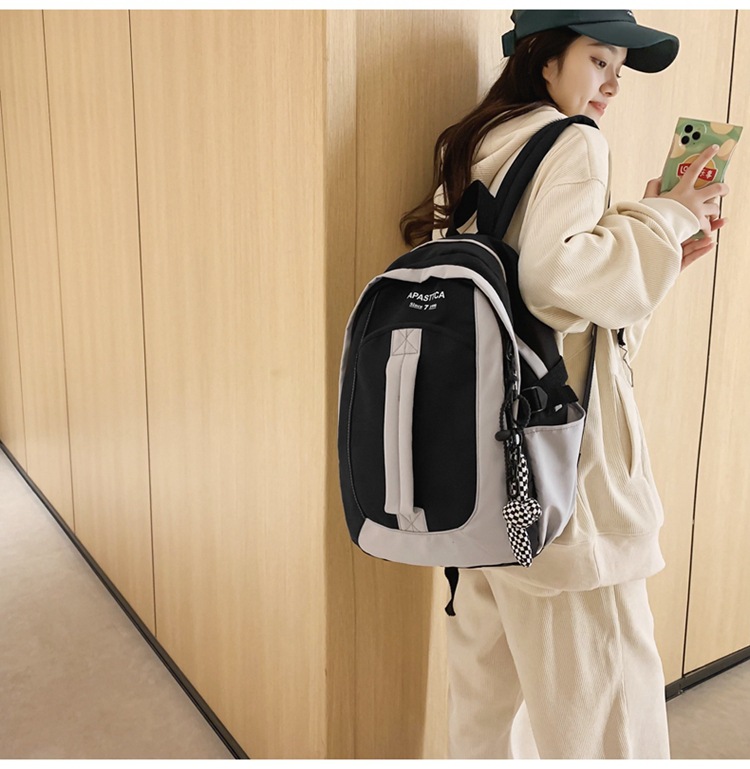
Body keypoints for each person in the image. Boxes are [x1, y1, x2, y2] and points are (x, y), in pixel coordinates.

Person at [400, 10, 729, 760]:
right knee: (609, 722)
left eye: (619, 68)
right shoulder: (572, 141)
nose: (612, 83)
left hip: (480, 479)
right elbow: (557, 281)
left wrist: (655, 252)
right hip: (560, 490)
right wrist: (665, 217)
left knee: (488, 713)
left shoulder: (481, 142)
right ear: (544, 59)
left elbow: (537, 313)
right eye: (598, 59)